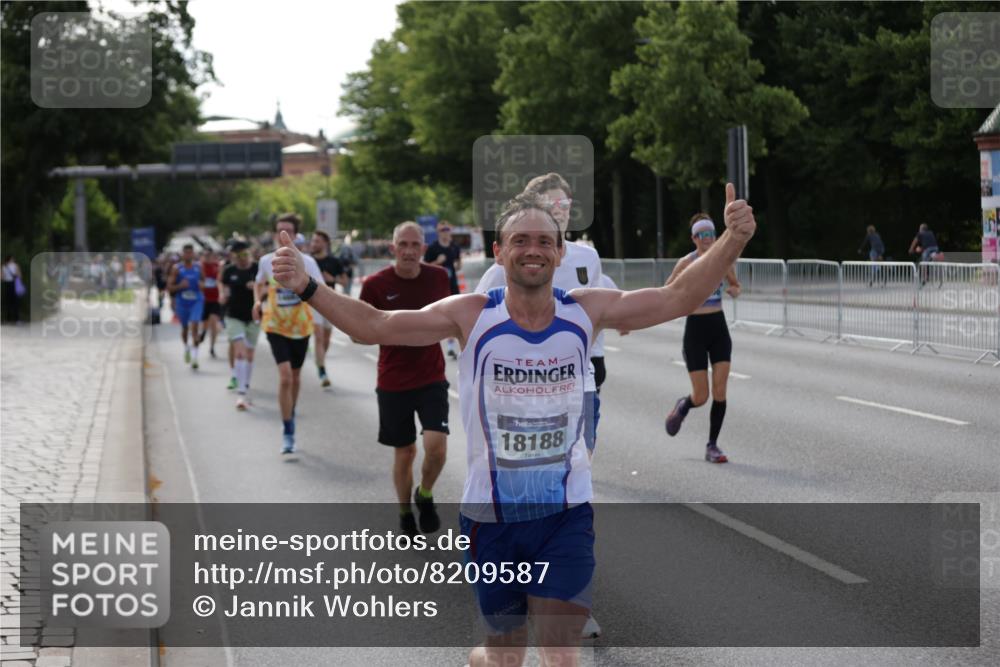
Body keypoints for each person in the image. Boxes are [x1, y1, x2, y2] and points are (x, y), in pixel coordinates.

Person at [269, 186, 756, 666]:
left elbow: (678, 297)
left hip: (565, 516)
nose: (533, 250)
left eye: (544, 241)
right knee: (505, 656)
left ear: (560, 252)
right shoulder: (472, 315)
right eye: (520, 240)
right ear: (499, 252)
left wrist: (732, 239)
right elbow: (374, 325)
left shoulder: (585, 311)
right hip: (491, 522)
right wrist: (308, 287)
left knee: (561, 654)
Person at [359, 222, 452, 537]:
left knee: (436, 447)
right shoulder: (375, 284)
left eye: (415, 245)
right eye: (403, 244)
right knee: (406, 452)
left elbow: (452, 319)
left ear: (424, 249)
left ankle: (424, 493)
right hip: (393, 381)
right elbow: (359, 332)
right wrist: (389, 331)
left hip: (431, 376)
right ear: (393, 248)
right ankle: (404, 513)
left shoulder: (439, 277)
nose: (409, 251)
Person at [663, 214, 742, 464]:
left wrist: (734, 290)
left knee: (720, 391)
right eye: (702, 235)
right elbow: (667, 290)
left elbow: (736, 285)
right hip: (695, 331)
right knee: (701, 396)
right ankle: (684, 406)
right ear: (694, 238)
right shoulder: (686, 263)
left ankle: (712, 445)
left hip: (718, 328)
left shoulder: (724, 261)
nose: (707, 239)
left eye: (711, 234)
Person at [253, 214, 325, 453]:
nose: (283, 235)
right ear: (275, 234)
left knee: (294, 376)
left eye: (289, 231)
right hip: (275, 324)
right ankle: (288, 429)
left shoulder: (307, 262)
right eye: (279, 230)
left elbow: (322, 289)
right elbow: (259, 282)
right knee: (285, 377)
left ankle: (290, 412)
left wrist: (321, 319)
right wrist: (257, 301)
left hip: (301, 326)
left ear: (295, 235)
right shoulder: (266, 261)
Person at [221, 241, 260, 411]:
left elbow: (269, 287)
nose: (241, 258)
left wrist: (257, 288)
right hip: (234, 316)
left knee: (249, 355)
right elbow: (223, 284)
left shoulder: (257, 268)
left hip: (254, 316)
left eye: (244, 254)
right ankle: (241, 394)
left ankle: (245, 383)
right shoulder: (229, 270)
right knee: (240, 352)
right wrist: (223, 294)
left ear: (249, 253)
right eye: (237, 255)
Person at [310, 230, 348, 387]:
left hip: (329, 302)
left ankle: (320, 360)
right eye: (313, 241)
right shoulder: (309, 261)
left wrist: (333, 279)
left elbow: (345, 281)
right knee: (318, 336)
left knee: (326, 338)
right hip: (312, 302)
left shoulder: (334, 261)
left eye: (317, 241)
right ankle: (322, 370)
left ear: (325, 243)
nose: (314, 244)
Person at [424, 219, 463, 359]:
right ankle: (429, 346)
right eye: (442, 230)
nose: (445, 232)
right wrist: (437, 262)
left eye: (447, 229)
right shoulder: (433, 248)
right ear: (438, 232)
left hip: (452, 286)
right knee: (436, 318)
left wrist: (458, 264)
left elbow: (459, 264)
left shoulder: (454, 247)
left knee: (452, 317)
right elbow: (424, 268)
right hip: (436, 287)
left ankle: (451, 347)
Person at [166, 244, 204, 370]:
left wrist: (201, 285)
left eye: (190, 252)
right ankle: (187, 347)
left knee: (195, 325)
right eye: (186, 252)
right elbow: (169, 287)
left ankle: (195, 357)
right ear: (182, 254)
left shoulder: (198, 267)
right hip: (182, 302)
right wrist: (180, 286)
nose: (188, 255)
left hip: (196, 301)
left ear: (193, 254)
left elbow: (204, 282)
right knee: (185, 328)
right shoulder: (177, 269)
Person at [200, 249, 224, 358]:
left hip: (215, 299)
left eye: (210, 255)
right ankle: (204, 331)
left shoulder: (217, 266)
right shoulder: (200, 267)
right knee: (205, 322)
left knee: (214, 322)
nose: (208, 258)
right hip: (203, 300)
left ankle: (212, 347)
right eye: (206, 255)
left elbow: (221, 280)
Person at [2, 255, 22, 324]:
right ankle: (17, 319)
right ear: (11, 259)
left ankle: (8, 319)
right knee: (16, 302)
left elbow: (2, 277)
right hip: (13, 284)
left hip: (7, 284)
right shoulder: (16, 265)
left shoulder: (3, 266)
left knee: (8, 302)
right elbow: (19, 275)